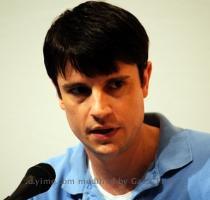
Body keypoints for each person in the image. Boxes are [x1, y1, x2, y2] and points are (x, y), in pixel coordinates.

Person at [31, 1, 210, 199]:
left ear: (145, 80)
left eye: (115, 85)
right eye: (79, 90)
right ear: (59, 94)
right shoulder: (42, 190)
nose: (99, 110)